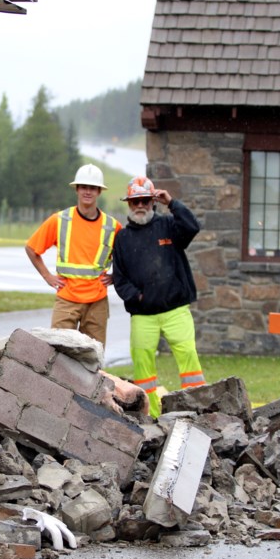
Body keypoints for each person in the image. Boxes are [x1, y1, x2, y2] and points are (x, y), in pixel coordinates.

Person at [112, 176, 205, 418]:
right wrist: (138, 298)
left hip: (176, 310)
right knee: (143, 367)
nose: (140, 205)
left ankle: (195, 410)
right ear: (129, 204)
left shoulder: (169, 226)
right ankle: (150, 415)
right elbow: (120, 279)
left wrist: (172, 203)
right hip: (143, 315)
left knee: (188, 359)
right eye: (135, 201)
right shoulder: (122, 238)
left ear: (153, 201)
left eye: (144, 200)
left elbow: (192, 226)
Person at [25, 164, 122, 347]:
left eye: (92, 188)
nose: (88, 191)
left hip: (97, 302)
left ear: (99, 191)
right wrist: (47, 276)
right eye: (84, 187)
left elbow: (128, 257)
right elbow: (31, 248)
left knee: (94, 356)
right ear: (77, 189)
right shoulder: (60, 220)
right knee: (58, 354)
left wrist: (117, 276)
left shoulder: (112, 226)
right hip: (66, 300)